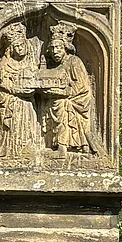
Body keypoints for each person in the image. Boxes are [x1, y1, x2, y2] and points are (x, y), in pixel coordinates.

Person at [0, 21, 44, 164]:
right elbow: (2, 82)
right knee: (15, 126)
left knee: (29, 125)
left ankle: (28, 151)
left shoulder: (32, 61)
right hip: (13, 102)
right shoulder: (6, 63)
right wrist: (16, 90)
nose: (20, 49)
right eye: (16, 47)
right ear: (11, 49)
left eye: (22, 45)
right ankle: (13, 152)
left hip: (28, 102)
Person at [44, 22, 97, 157]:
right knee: (53, 103)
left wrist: (63, 92)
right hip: (65, 97)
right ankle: (56, 143)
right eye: (53, 48)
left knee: (61, 104)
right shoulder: (57, 65)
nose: (55, 51)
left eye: (58, 48)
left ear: (65, 48)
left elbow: (82, 86)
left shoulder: (74, 61)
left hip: (78, 100)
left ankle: (63, 147)